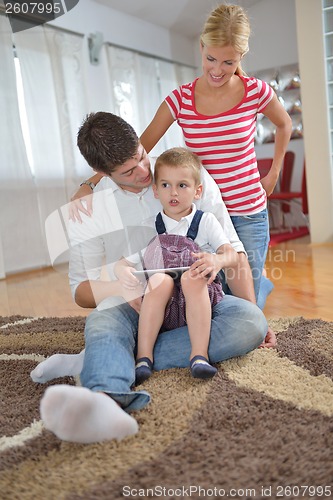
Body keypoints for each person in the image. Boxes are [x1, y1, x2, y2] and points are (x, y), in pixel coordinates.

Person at [34, 111, 268, 444]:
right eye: (128, 171)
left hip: (197, 300)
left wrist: (254, 314)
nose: (144, 172)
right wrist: (122, 285)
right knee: (101, 322)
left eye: (141, 156)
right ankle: (106, 400)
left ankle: (101, 358)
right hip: (140, 303)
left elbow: (235, 251)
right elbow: (80, 291)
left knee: (249, 323)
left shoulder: (182, 172)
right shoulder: (88, 208)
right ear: (102, 173)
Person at [69, 4, 292, 309]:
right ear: (201, 47)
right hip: (201, 206)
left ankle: (259, 284)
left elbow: (284, 124)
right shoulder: (181, 98)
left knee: (247, 298)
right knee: (216, 296)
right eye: (210, 58)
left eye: (228, 62)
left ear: (241, 56)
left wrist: (274, 172)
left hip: (247, 208)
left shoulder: (256, 91)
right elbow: (139, 146)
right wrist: (91, 182)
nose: (216, 70)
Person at [114, 147, 238, 384]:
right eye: (165, 185)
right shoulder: (149, 225)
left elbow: (230, 254)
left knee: (193, 277)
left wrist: (216, 260)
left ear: (197, 191)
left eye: (182, 185)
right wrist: (124, 274)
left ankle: (199, 356)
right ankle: (144, 358)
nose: (173, 192)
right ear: (155, 191)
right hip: (165, 305)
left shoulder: (205, 221)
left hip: (200, 298)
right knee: (159, 280)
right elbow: (122, 263)